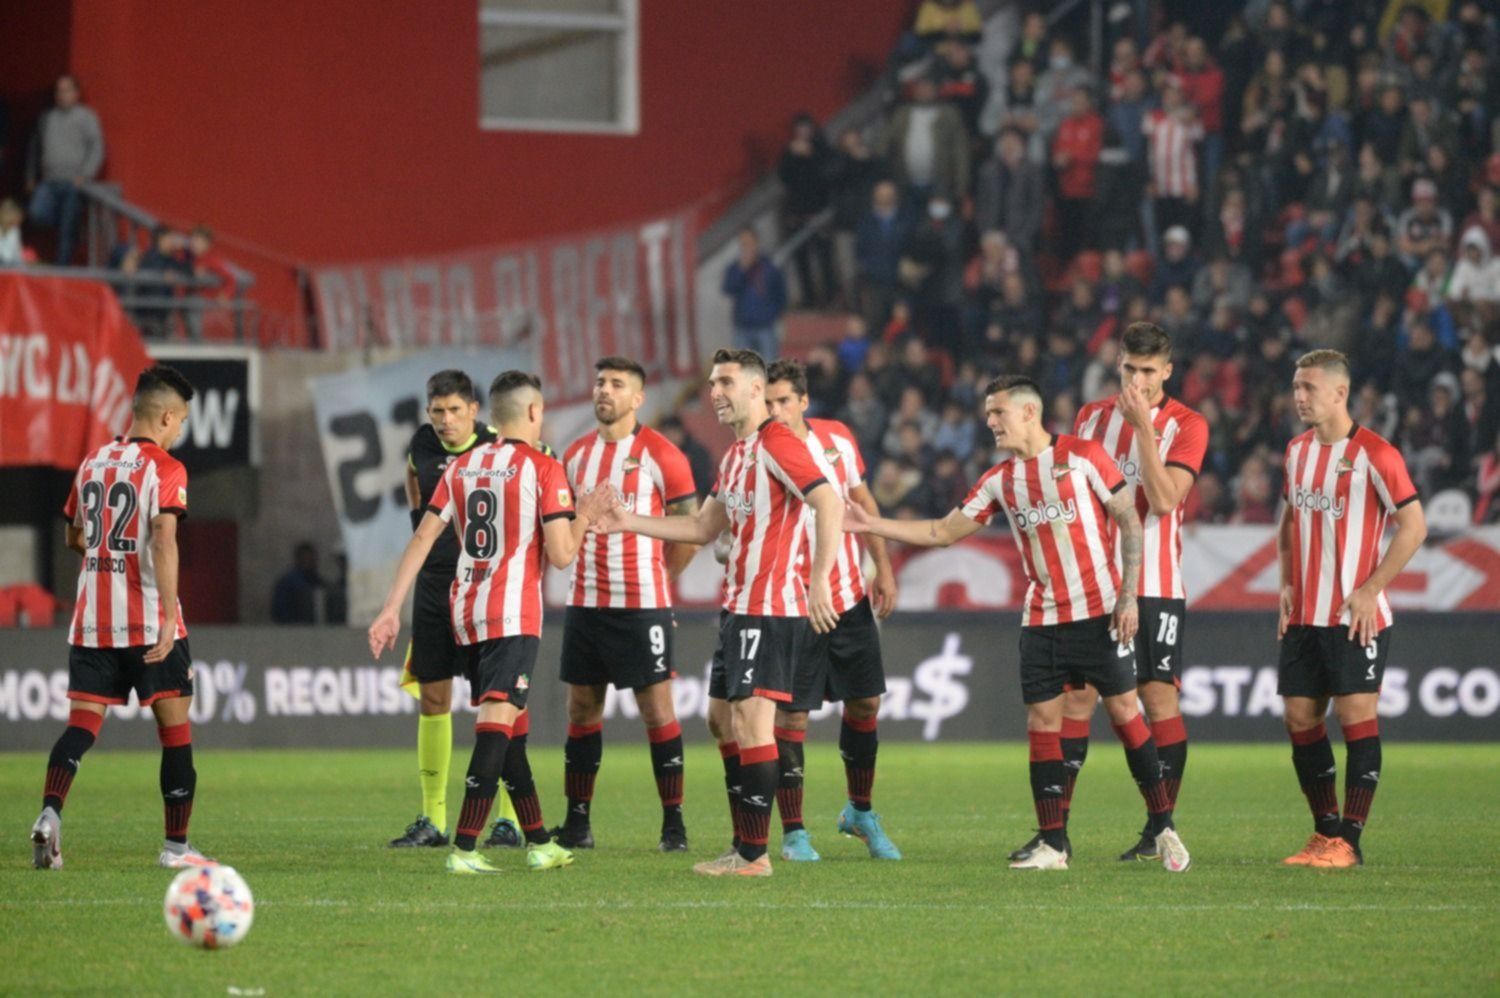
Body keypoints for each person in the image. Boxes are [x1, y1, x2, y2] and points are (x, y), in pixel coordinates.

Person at [844, 375, 1191, 873]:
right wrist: (872, 525)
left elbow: (1129, 521)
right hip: (1042, 621)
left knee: (1125, 714)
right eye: (988, 413)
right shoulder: (999, 480)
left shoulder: (1084, 456)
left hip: (1100, 614)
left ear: (1029, 412)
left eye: (998, 412)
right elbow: (942, 531)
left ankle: (1163, 826)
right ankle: (1053, 843)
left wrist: (1129, 596)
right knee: (1042, 723)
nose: (990, 422)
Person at [589, 348, 843, 877]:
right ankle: (743, 841)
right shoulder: (736, 455)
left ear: (756, 388)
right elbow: (703, 528)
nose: (716, 393)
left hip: (769, 608)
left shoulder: (777, 442)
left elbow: (829, 501)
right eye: (711, 384)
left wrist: (819, 579)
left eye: (726, 382)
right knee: (720, 719)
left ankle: (754, 855)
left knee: (752, 723)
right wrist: (627, 521)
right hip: (737, 607)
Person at [368, 371, 604, 875]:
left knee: (510, 725)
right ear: (534, 412)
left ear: (489, 416)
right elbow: (562, 554)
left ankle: (538, 840)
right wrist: (585, 515)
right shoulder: (543, 467)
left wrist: (390, 609)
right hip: (513, 613)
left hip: (465, 611)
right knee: (497, 723)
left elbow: (422, 538)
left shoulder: (462, 466)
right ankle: (465, 846)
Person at [1036, 322, 1208, 863]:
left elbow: (1163, 500)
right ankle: (1056, 834)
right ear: (1118, 364)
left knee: (1156, 699)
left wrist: (1143, 431)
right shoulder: (1091, 418)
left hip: (1154, 584)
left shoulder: (1187, 424)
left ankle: (1160, 830)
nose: (1138, 381)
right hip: (1094, 586)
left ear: (1168, 371)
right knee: (1077, 699)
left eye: (1149, 371)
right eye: (1130, 369)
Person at [31, 365, 213, 870]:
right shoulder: (166, 468)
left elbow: (73, 535)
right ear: (167, 417)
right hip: (150, 623)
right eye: (181, 422)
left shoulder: (92, 462)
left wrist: (107, 553)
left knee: (81, 725)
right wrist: (166, 618)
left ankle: (49, 814)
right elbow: (163, 541)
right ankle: (176, 848)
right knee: (175, 731)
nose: (180, 432)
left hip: (94, 622)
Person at [1276, 350, 1427, 869]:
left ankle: (1350, 841)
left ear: (1340, 393)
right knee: (1299, 718)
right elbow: (1288, 524)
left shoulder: (1376, 454)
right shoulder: (1296, 451)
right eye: (1296, 387)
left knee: (1355, 716)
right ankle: (1324, 833)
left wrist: (1370, 588)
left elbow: (1414, 527)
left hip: (1355, 616)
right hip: (1305, 615)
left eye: (1310, 388)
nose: (1299, 397)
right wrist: (1286, 584)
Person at [553, 357, 699, 852]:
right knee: (582, 709)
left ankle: (674, 826)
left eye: (617, 384)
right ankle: (577, 824)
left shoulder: (663, 455)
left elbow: (690, 529)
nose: (604, 390)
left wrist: (662, 579)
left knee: (656, 711)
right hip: (585, 603)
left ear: (638, 399)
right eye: (600, 382)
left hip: (642, 605)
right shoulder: (575, 456)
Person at [763, 359, 901, 862]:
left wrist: (882, 567)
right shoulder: (758, 450)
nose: (775, 411)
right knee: (792, 717)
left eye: (784, 401)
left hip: (846, 597)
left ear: (803, 401)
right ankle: (794, 832)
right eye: (768, 402)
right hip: (791, 603)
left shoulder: (837, 438)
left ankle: (859, 811)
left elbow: (862, 505)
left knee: (865, 704)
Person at [386, 370, 521, 852]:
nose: (445, 420)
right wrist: (418, 519)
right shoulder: (421, 445)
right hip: (434, 586)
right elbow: (414, 480)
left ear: (474, 411)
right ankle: (433, 819)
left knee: (499, 702)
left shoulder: (499, 446)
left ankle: (509, 820)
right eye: (437, 411)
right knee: (433, 697)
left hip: (486, 587)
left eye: (455, 411)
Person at [25, 74, 104, 265]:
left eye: (67, 90)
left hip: (73, 183)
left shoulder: (86, 117)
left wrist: (86, 175)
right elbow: (34, 148)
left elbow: (97, 147)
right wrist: (30, 176)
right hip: (49, 181)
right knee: (36, 214)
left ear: (76, 93)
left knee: (67, 230)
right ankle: (72, 226)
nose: (62, 94)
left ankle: (62, 267)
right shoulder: (46, 117)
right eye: (59, 91)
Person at [721, 228, 787, 361]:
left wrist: (774, 314)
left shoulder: (770, 267)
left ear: (757, 243)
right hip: (742, 327)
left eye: (750, 243)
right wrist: (742, 270)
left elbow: (781, 293)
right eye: (743, 244)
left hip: (766, 326)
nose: (747, 248)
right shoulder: (735, 268)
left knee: (769, 364)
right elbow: (728, 288)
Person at [271, 541, 323, 624]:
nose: (308, 561)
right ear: (298, 559)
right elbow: (279, 610)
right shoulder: (286, 582)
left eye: (310, 558)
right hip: (291, 627)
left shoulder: (318, 581)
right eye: (304, 558)